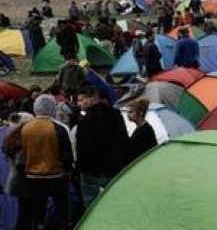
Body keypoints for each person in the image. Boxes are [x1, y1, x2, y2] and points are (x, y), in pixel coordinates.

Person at [21, 94, 73, 229]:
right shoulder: (58, 128)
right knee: (61, 207)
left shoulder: (25, 128)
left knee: (38, 210)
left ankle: (39, 226)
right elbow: (66, 154)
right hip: (56, 175)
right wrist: (68, 170)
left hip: (33, 176)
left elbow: (21, 154)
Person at [76, 86, 129, 206]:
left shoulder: (85, 121)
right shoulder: (116, 115)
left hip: (92, 171)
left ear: (89, 100)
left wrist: (79, 169)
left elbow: (83, 149)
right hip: (115, 167)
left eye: (80, 100)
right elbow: (123, 139)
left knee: (91, 204)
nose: (78, 103)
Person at [3, 112, 35, 230]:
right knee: (26, 215)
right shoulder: (22, 141)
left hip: (15, 181)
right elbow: (21, 164)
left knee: (23, 214)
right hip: (24, 183)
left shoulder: (11, 139)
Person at [126, 98, 157, 164]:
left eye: (131, 112)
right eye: (127, 112)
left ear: (140, 112)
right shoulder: (140, 128)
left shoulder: (145, 130)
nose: (128, 115)